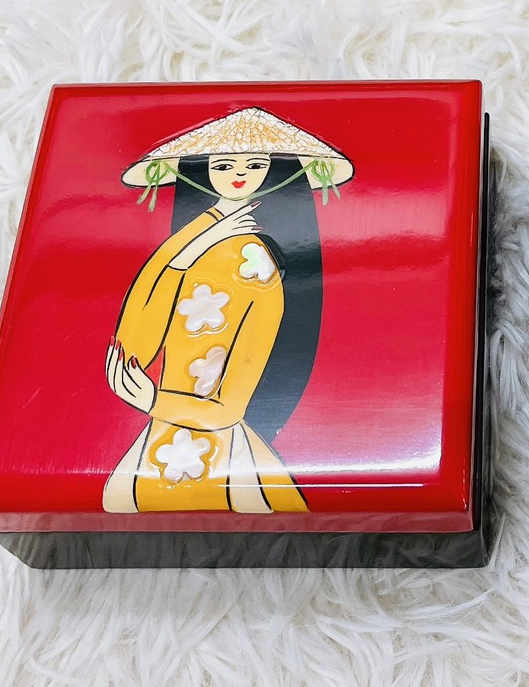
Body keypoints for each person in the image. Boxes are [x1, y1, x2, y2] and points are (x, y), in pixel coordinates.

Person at [102, 106, 353, 513]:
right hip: (167, 434)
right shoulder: (183, 247)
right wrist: (193, 248)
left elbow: (232, 403)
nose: (239, 174)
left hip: (212, 439)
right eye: (222, 165)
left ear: (275, 171)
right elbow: (134, 346)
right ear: (201, 170)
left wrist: (155, 402)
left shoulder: (259, 264)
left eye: (255, 165)